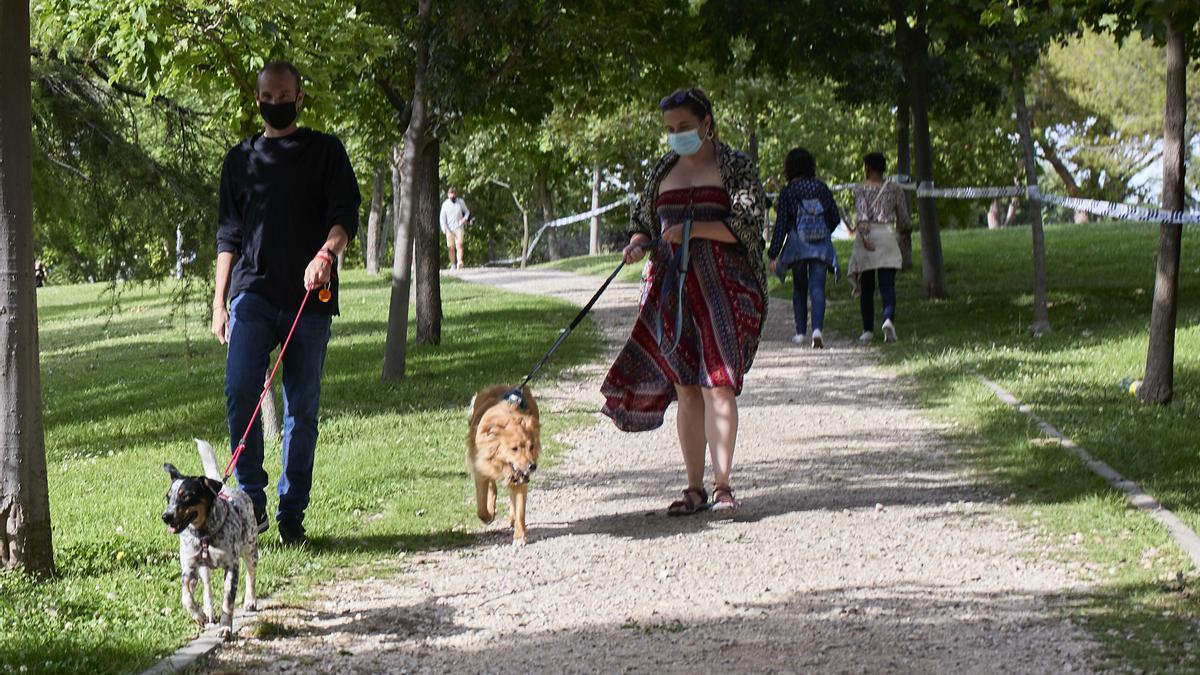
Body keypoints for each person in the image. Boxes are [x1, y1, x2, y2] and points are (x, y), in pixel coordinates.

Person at [211, 60, 361, 546]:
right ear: (257, 100)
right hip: (251, 294)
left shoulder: (325, 152)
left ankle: (292, 514)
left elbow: (344, 219)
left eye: (283, 96)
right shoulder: (239, 160)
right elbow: (227, 237)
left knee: (302, 407)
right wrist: (219, 303)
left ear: (300, 98)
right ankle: (250, 504)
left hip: (308, 299)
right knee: (240, 391)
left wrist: (326, 254)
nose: (274, 104)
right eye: (266, 97)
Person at [601, 87, 768, 515]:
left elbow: (748, 228)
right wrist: (639, 244)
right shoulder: (662, 169)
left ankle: (723, 486)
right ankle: (693, 487)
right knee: (686, 387)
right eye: (671, 130)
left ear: (707, 122)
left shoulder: (736, 167)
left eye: (685, 127)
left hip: (724, 289)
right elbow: (642, 222)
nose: (677, 136)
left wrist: (693, 229)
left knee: (719, 383)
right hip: (669, 291)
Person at [767, 147, 841, 349]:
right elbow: (835, 217)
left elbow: (781, 224)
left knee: (799, 288)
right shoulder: (821, 188)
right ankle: (817, 330)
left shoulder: (788, 191)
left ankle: (800, 333)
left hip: (797, 245)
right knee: (817, 287)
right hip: (821, 246)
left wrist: (773, 253)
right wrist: (822, 230)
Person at [847, 152, 909, 343]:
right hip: (888, 236)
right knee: (887, 285)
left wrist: (865, 237)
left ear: (868, 167)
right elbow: (904, 218)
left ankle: (867, 330)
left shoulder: (860, 188)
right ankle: (888, 319)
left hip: (869, 236)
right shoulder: (895, 189)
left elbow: (862, 214)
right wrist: (904, 233)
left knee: (866, 286)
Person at [439, 187, 470, 269]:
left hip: (459, 227)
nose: (453, 197)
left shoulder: (460, 202)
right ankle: (453, 264)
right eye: (451, 195)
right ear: (448, 195)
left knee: (459, 245)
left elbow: (467, 212)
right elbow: (442, 217)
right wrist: (443, 227)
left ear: (456, 194)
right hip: (449, 228)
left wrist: (464, 219)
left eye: (454, 194)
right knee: (451, 247)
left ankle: (459, 262)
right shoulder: (445, 204)